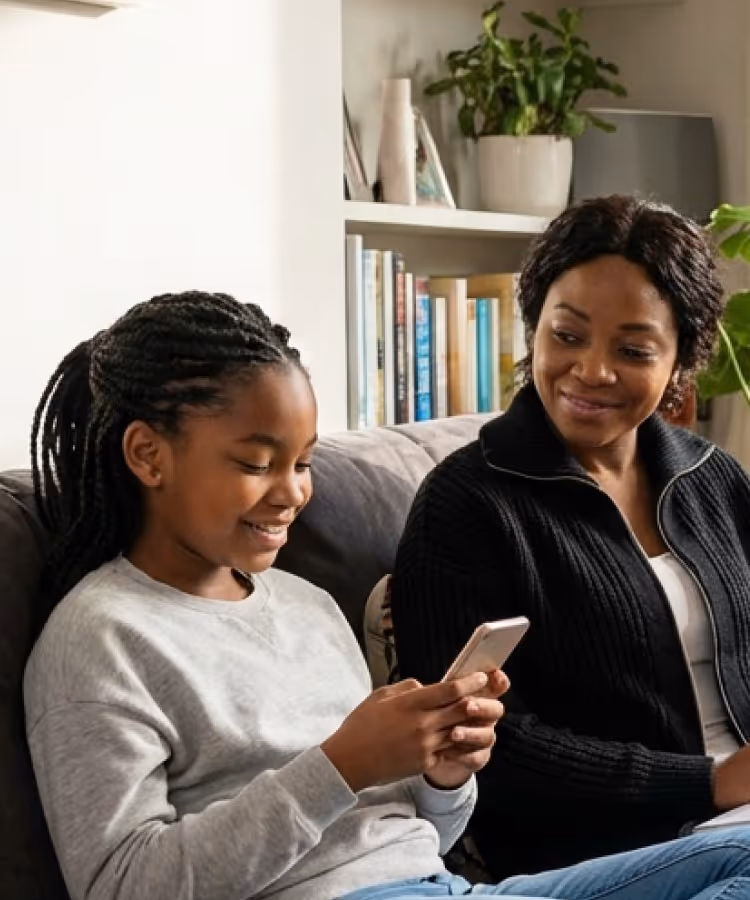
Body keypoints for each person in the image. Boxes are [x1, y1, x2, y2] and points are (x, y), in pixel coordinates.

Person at [23, 290, 750, 900]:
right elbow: (122, 885)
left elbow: (412, 837)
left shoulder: (306, 605)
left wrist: (442, 774)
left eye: (303, 463)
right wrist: (340, 766)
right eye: (256, 463)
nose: (292, 493)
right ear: (148, 454)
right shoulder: (101, 635)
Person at [389, 194, 750, 882]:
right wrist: (710, 782)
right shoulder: (466, 504)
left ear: (681, 361)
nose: (592, 371)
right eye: (568, 335)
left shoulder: (714, 480)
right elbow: (484, 746)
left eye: (633, 350)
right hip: (605, 853)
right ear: (534, 327)